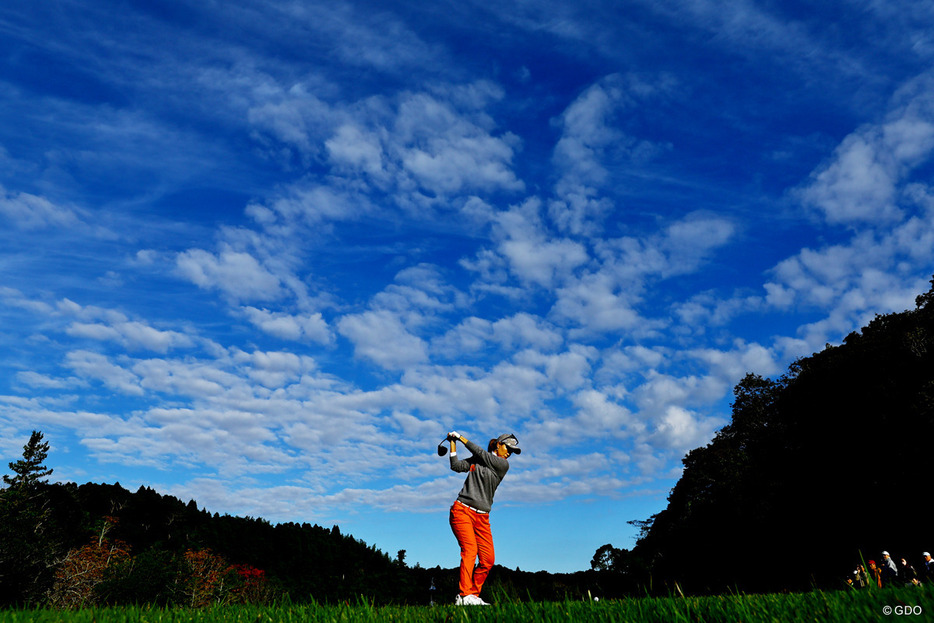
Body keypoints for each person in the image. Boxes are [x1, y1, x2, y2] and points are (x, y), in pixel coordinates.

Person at [445, 431, 521, 606]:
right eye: (508, 448)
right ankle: (465, 596)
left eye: (512, 451)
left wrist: (461, 437)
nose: (509, 453)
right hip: (462, 511)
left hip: (482, 517)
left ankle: (472, 594)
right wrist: (452, 443)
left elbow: (480, 453)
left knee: (488, 560)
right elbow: (456, 466)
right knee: (470, 550)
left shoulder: (502, 465)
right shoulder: (480, 460)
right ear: (498, 445)